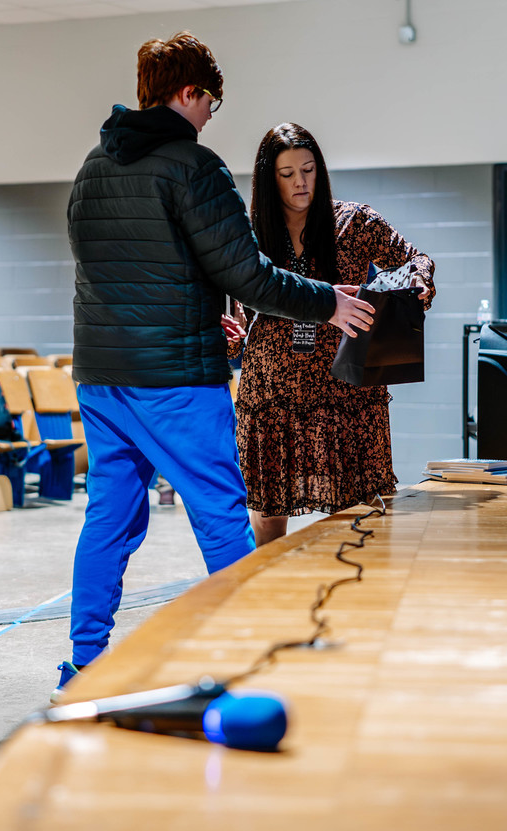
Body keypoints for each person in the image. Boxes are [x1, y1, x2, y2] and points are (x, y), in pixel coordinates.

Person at [58, 34, 375, 697]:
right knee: (223, 514)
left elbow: (123, 273)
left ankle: (85, 661)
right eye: (211, 103)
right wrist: (329, 303)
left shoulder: (91, 168)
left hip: (103, 378)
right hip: (174, 381)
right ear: (188, 93)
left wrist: (205, 311)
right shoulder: (193, 167)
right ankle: (247, 656)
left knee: (109, 518)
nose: (210, 116)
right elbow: (250, 275)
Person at [225, 122, 435, 547]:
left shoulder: (355, 221)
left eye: (309, 169)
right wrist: (227, 335)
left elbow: (414, 259)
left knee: (356, 511)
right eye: (287, 174)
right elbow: (239, 318)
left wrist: (418, 284)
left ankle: (361, 599)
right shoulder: (249, 234)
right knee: (267, 511)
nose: (301, 182)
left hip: (345, 390)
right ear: (270, 181)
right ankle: (270, 600)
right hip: (272, 391)